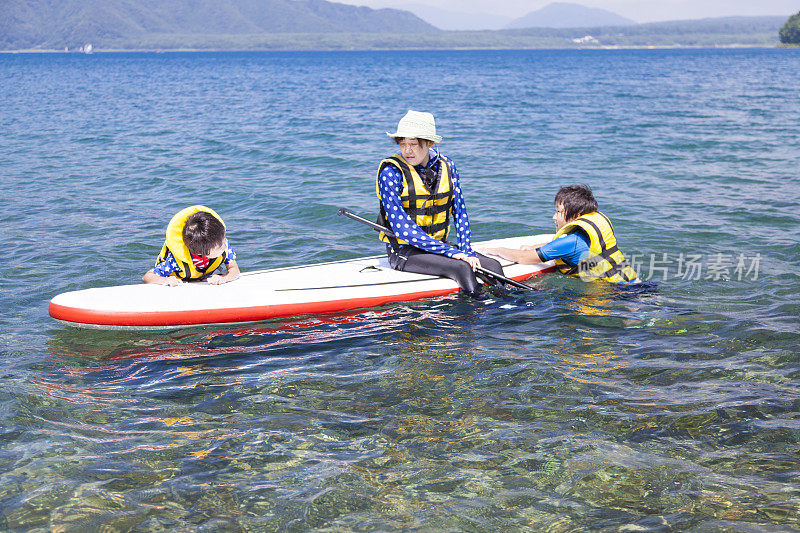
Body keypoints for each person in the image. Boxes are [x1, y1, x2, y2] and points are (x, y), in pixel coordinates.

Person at [376, 110, 505, 297]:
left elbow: (460, 212)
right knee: (461, 267)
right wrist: (451, 253)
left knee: (493, 265)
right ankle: (477, 317)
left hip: (437, 246)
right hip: (404, 251)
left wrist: (467, 250)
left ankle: (509, 310)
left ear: (429, 143)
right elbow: (403, 229)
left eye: (413, 144)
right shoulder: (391, 172)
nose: (407, 150)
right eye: (403, 144)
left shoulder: (447, 166)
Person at [484, 185, 639, 283]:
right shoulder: (584, 234)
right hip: (634, 285)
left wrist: (497, 250)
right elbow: (568, 246)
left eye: (558, 212)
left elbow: (524, 258)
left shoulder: (570, 242)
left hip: (620, 296)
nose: (554, 217)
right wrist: (535, 246)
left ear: (576, 216)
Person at [142, 205, 240, 286]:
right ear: (200, 252)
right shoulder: (175, 261)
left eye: (224, 239)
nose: (225, 245)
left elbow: (234, 269)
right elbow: (147, 277)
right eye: (220, 246)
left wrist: (224, 278)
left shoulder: (221, 243)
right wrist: (165, 281)